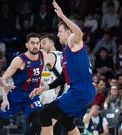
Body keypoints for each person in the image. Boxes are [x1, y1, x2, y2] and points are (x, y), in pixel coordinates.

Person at [29, 1, 96, 135]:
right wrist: (44, 88)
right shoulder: (65, 52)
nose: (58, 34)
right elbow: (63, 78)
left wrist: (63, 16)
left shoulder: (73, 42)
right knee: (65, 120)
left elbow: (79, 34)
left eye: (60, 31)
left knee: (44, 114)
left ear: (68, 32)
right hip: (84, 92)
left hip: (79, 92)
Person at [0, 33, 54, 135]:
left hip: (32, 96)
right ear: (27, 45)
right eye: (32, 43)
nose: (35, 46)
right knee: (0, 123)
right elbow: (3, 79)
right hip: (16, 96)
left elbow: (37, 73)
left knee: (38, 122)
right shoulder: (19, 60)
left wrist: (43, 83)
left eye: (37, 43)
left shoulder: (43, 55)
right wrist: (5, 100)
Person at [40, 34, 68, 135]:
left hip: (60, 93)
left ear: (52, 42)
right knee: (59, 125)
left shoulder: (49, 55)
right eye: (40, 44)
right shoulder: (64, 54)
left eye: (44, 43)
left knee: (46, 126)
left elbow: (37, 71)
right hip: (68, 92)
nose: (41, 46)